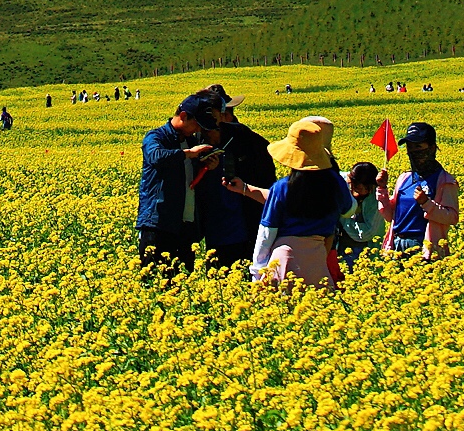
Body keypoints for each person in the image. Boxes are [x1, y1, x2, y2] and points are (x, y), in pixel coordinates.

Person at [256, 117, 351, 288]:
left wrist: (258, 270)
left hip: (284, 258)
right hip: (317, 257)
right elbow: (350, 210)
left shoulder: (282, 187)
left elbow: (267, 232)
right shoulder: (335, 184)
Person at [136, 90, 223, 275]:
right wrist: (188, 154)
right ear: (183, 116)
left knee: (183, 281)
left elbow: (187, 179)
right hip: (159, 222)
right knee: (156, 282)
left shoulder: (190, 140)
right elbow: (155, 156)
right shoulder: (156, 137)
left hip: (186, 224)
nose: (199, 130)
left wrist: (208, 166)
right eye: (196, 124)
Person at [201, 88, 274, 270]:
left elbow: (265, 177)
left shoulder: (246, 139)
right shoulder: (200, 140)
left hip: (245, 221)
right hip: (218, 226)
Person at [388, 121, 460, 260]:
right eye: (410, 147)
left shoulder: (444, 181)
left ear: (432, 148)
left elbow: (452, 217)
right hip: (398, 245)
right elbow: (391, 216)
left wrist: (426, 203)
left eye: (418, 146)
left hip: (424, 246)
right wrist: (382, 189)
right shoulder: (404, 178)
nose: (414, 151)